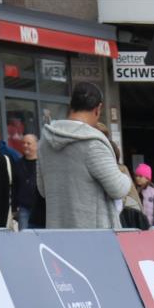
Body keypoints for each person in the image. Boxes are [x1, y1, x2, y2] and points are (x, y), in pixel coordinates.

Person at [37, 82, 131, 229]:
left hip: (57, 234)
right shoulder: (93, 143)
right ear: (98, 109)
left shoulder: (44, 142)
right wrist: (125, 176)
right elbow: (118, 188)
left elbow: (42, 190)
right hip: (95, 237)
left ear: (71, 105)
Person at [11, 133, 40, 230]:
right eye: (23, 143)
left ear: (36, 145)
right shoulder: (18, 164)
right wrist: (14, 207)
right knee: (24, 235)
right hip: (24, 208)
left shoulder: (42, 164)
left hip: (41, 208)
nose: (25, 146)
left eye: (29, 143)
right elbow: (14, 186)